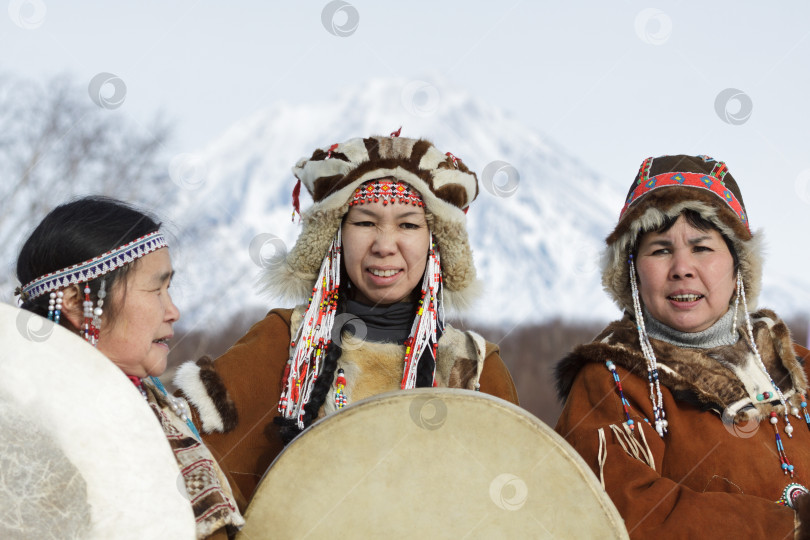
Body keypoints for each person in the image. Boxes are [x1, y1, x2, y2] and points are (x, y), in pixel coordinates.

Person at [174, 132, 519, 507]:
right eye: (365, 223)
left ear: (435, 242)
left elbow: (519, 504)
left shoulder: (475, 370)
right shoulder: (284, 343)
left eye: (408, 225)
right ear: (335, 234)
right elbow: (179, 445)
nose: (385, 245)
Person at [554, 155, 810, 538]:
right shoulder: (611, 381)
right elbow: (627, 513)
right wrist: (789, 527)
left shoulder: (797, 367)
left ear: (738, 264)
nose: (682, 268)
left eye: (702, 248)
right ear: (633, 272)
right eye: (660, 250)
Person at [15, 196, 244, 540]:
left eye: (170, 289)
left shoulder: (149, 402)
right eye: (156, 290)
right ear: (77, 303)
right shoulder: (39, 432)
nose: (173, 311)